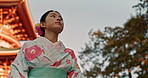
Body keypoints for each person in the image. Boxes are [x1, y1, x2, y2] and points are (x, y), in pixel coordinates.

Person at [8, 10, 82, 78]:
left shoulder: (69, 53)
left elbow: (77, 75)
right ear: (43, 24)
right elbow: (17, 71)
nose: (58, 19)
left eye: (61, 18)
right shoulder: (29, 47)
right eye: (53, 16)